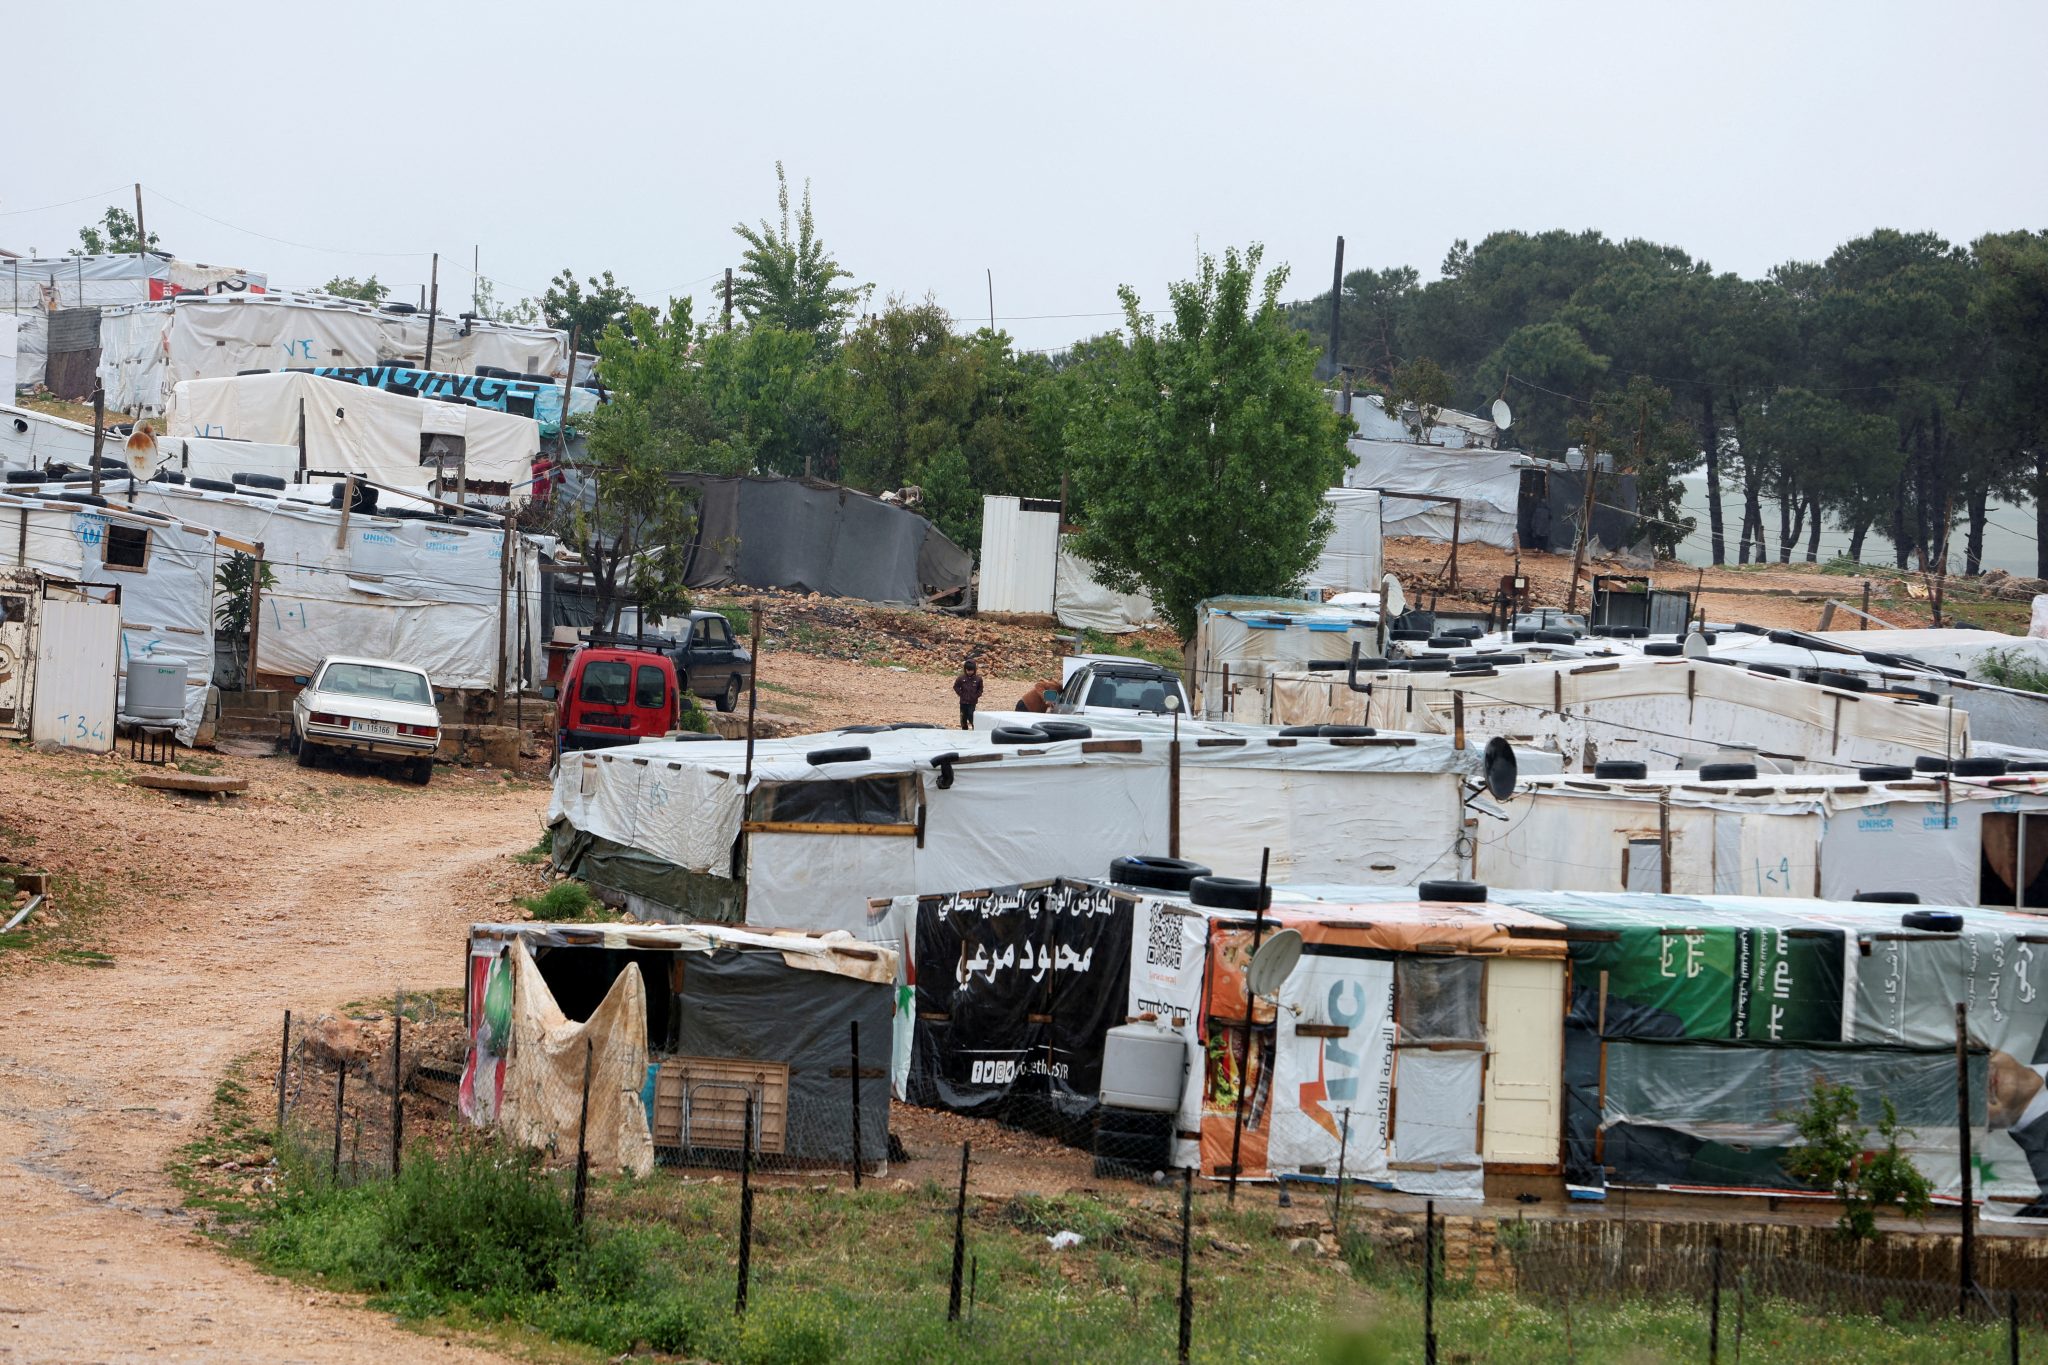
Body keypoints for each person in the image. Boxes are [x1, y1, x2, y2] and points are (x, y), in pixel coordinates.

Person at [953, 658, 984, 729]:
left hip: (972, 702)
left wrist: (976, 696)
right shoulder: (961, 678)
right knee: (963, 718)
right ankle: (964, 731)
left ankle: (974, 729)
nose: (969, 672)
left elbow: (980, 689)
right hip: (963, 702)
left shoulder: (978, 679)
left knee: (971, 716)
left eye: (971, 670)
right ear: (965, 669)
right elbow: (956, 686)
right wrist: (961, 694)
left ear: (974, 670)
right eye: (968, 670)